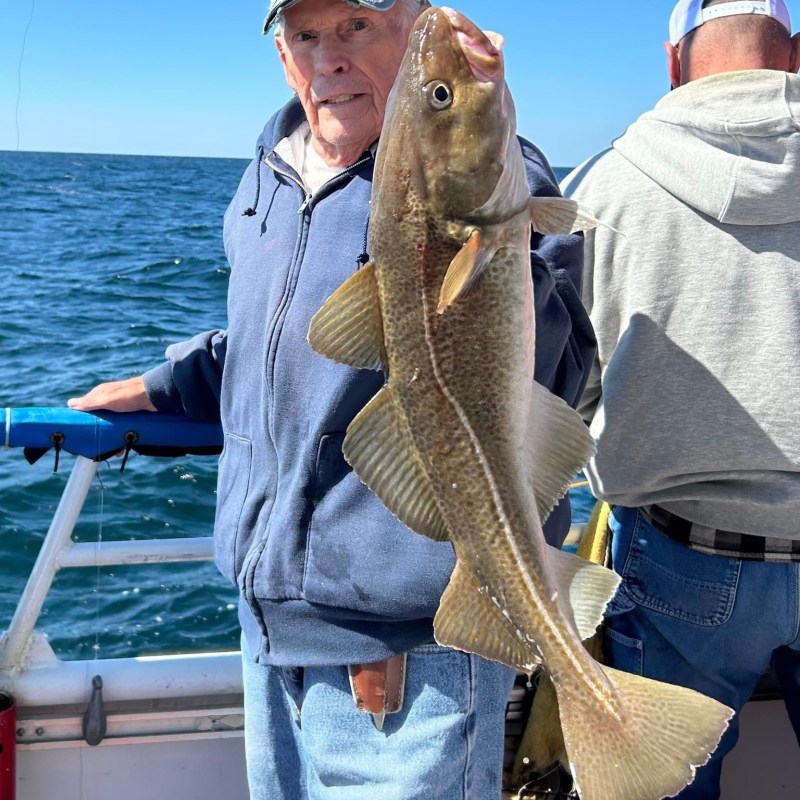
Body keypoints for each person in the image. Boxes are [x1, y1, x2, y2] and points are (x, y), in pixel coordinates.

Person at [69, 1, 595, 798]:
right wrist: (167, 385)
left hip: (410, 646)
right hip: (268, 623)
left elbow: (559, 372)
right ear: (283, 52)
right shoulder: (268, 173)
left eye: (356, 26)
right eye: (307, 35)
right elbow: (275, 342)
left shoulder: (491, 175)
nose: (329, 59)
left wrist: (508, 249)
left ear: (414, 28)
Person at [562, 0, 800, 797]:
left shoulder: (602, 185)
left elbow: (566, 388)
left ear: (672, 62)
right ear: (793, 53)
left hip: (678, 558)